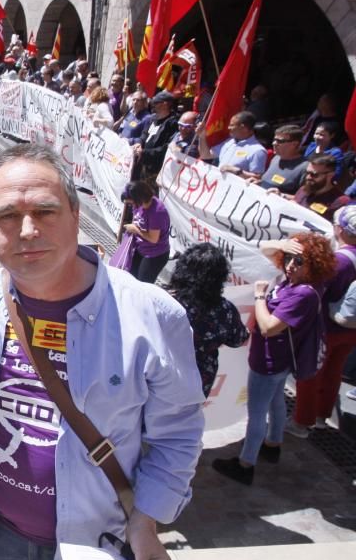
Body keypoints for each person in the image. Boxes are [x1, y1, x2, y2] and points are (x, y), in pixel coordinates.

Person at [0, 143, 204, 560]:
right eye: (7, 215)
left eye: (45, 211)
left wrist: (147, 517)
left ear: (76, 213)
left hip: (94, 540)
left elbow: (179, 433)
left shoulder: (152, 314)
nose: (27, 230)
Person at [212, 232, 335, 484]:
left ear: (314, 264)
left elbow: (268, 326)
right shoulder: (300, 283)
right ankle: (273, 444)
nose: (290, 265)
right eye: (289, 258)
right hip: (278, 361)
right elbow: (265, 249)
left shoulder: (303, 294)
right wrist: (282, 245)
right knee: (276, 401)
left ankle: (246, 464)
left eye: (299, 261)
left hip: (268, 361)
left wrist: (259, 296)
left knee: (256, 413)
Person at [288, 205, 356, 437]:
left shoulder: (340, 260)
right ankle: (320, 417)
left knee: (311, 373)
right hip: (350, 328)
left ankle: (301, 422)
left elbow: (318, 289)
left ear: (340, 229)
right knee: (333, 372)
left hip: (328, 328)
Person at [167, 243, 250, 397]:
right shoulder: (225, 310)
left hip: (162, 375)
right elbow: (238, 339)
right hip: (198, 381)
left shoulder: (164, 301)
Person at [122, 181, 171, 284]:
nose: (132, 206)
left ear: (139, 200)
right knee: (130, 278)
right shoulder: (140, 204)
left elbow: (153, 239)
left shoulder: (157, 212)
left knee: (142, 284)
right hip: (141, 249)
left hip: (155, 254)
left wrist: (135, 230)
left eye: (132, 203)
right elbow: (137, 219)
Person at [199, 111, 267, 179]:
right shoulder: (229, 142)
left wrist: (236, 171)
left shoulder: (257, 151)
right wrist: (202, 136)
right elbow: (205, 155)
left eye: (232, 125)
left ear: (243, 128)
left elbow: (257, 178)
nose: (228, 128)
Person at [132, 90, 179, 180]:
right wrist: (139, 143)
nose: (153, 105)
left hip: (153, 169)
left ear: (165, 104)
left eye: (156, 103)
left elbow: (166, 148)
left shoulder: (173, 124)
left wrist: (145, 153)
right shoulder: (152, 118)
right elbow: (144, 135)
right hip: (140, 163)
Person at [294, 153, 350, 222]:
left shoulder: (341, 202)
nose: (308, 177)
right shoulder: (303, 190)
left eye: (314, 174)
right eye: (307, 173)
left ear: (330, 175)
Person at [257, 124, 307, 196]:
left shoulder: (304, 167)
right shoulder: (275, 158)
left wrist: (281, 195)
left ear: (294, 144)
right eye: (274, 140)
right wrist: (258, 183)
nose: (274, 143)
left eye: (280, 141)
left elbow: (304, 200)